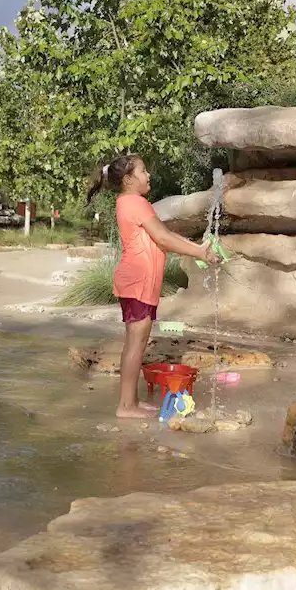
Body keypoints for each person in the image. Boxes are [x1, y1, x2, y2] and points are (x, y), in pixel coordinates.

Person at [87, 154, 219, 419]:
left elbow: (161, 238)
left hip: (138, 281)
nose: (149, 176)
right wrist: (200, 253)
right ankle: (126, 406)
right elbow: (163, 236)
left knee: (136, 343)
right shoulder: (136, 202)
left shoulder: (128, 202)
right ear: (128, 179)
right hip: (137, 281)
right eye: (143, 171)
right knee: (135, 344)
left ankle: (130, 402)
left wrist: (197, 248)